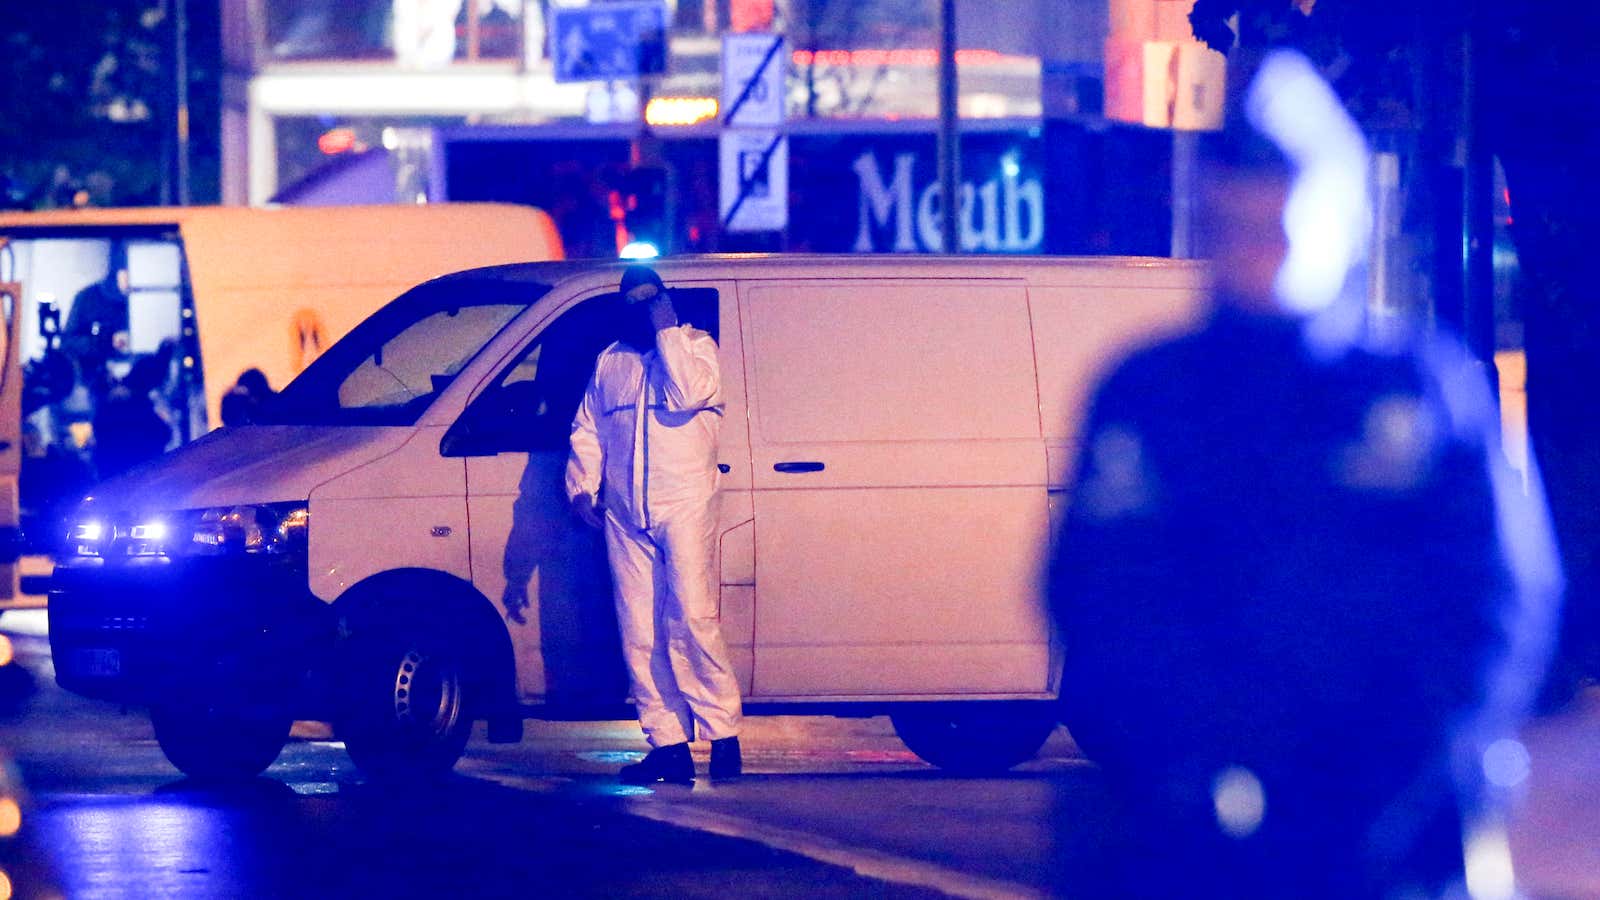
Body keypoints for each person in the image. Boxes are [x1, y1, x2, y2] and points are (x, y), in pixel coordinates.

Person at [1049, 51, 1560, 897]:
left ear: (1345, 222)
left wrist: (1398, 775)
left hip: (1389, 833)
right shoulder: (1149, 395)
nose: (1264, 255)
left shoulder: (1419, 389)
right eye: (1240, 229)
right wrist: (1178, 763)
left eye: (1285, 227)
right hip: (1189, 840)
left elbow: (1500, 600)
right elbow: (1094, 595)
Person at [566, 265, 743, 785]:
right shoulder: (611, 361)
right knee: (639, 630)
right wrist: (582, 485)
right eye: (633, 301)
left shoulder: (695, 348)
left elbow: (689, 392)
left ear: (663, 302)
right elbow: (588, 427)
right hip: (625, 513)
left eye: (647, 300)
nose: (638, 311)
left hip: (686, 503)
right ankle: (668, 744)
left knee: (692, 616)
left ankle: (723, 735)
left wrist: (666, 326)